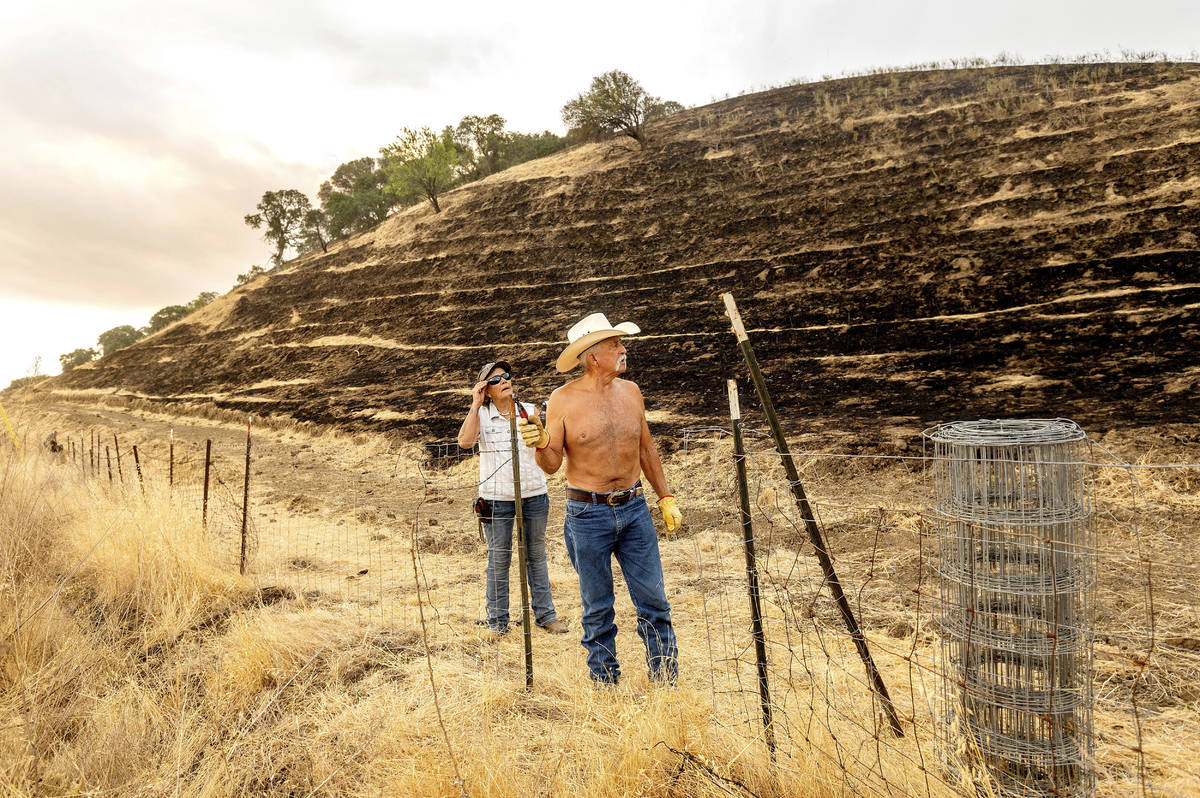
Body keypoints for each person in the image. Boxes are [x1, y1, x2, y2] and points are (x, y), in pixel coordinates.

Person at [518, 313, 682, 685]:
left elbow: (646, 448)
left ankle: (666, 683)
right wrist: (540, 443)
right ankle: (605, 684)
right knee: (597, 609)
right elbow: (552, 464)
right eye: (615, 345)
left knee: (655, 602)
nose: (624, 350)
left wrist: (665, 497)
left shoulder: (632, 392)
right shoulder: (562, 400)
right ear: (593, 356)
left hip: (635, 509)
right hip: (587, 514)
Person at [457, 360, 568, 637]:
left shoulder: (529, 411)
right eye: (495, 380)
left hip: (534, 495)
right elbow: (465, 442)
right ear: (486, 390)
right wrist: (475, 405)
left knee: (536, 556)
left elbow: (546, 446)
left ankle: (546, 616)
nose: (504, 380)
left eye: (506, 375)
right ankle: (497, 622)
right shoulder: (482, 415)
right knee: (499, 559)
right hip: (496, 499)